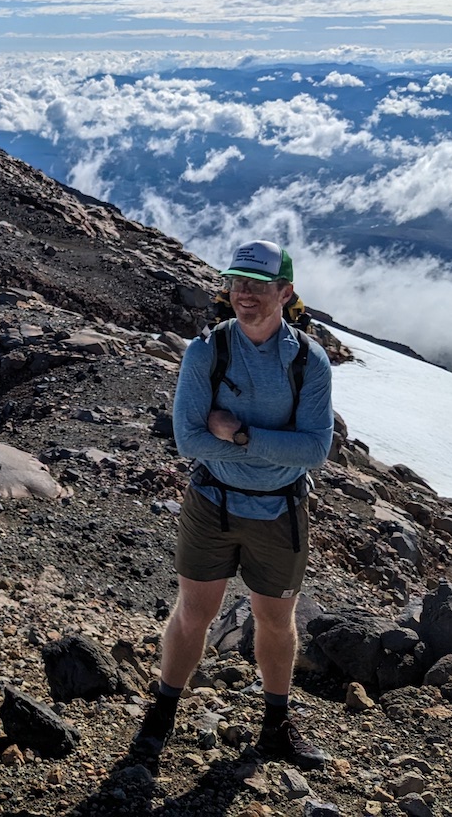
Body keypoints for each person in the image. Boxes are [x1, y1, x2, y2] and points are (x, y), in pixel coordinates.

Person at [132, 239, 333, 768]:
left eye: (259, 285)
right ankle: (161, 714)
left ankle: (275, 725)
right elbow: (189, 440)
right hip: (212, 504)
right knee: (195, 611)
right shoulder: (207, 351)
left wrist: (240, 435)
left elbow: (315, 450)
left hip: (279, 510)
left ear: (285, 292)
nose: (245, 295)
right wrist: (270, 447)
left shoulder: (310, 362)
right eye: (238, 282)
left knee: (273, 618)